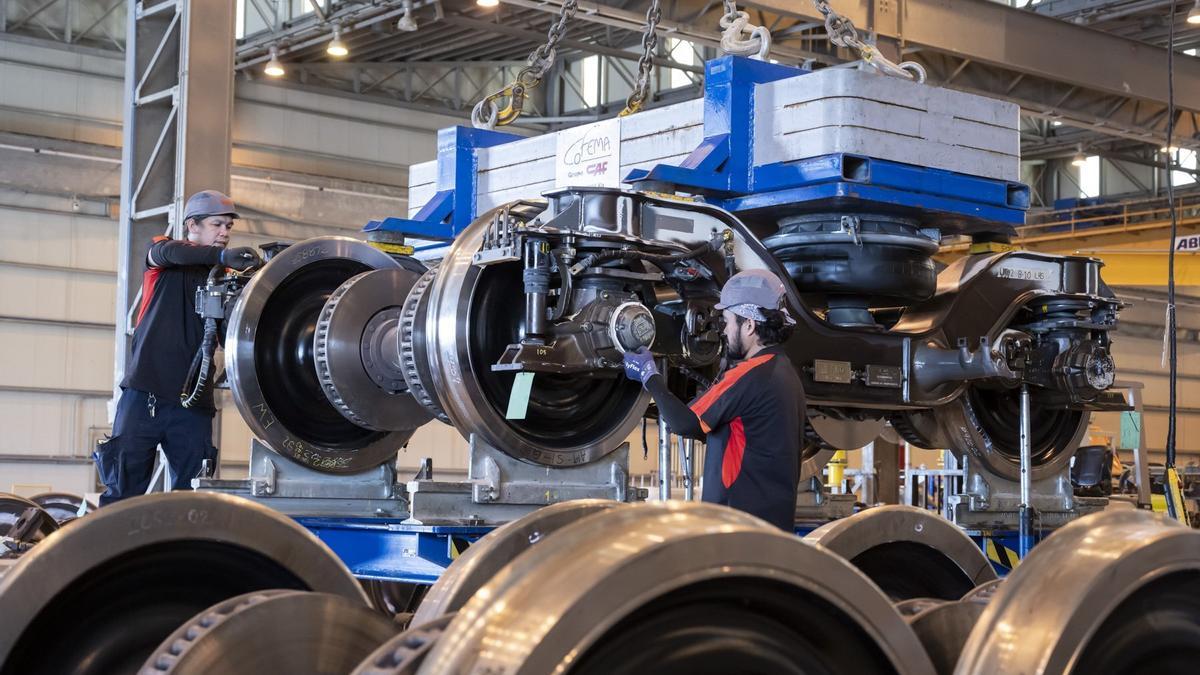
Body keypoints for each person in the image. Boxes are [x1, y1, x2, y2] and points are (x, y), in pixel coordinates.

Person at [94, 190, 262, 505]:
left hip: (192, 403)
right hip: (145, 396)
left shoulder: (223, 280)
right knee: (122, 496)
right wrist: (222, 257)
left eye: (228, 226)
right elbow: (170, 252)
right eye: (217, 224)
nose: (224, 233)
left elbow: (231, 336)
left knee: (192, 497)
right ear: (192, 225)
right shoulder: (162, 255)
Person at [623, 269, 806, 530]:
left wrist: (648, 375)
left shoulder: (750, 374)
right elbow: (738, 435)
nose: (724, 330)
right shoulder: (785, 373)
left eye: (729, 321)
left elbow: (685, 423)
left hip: (736, 529)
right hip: (770, 530)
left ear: (750, 325)